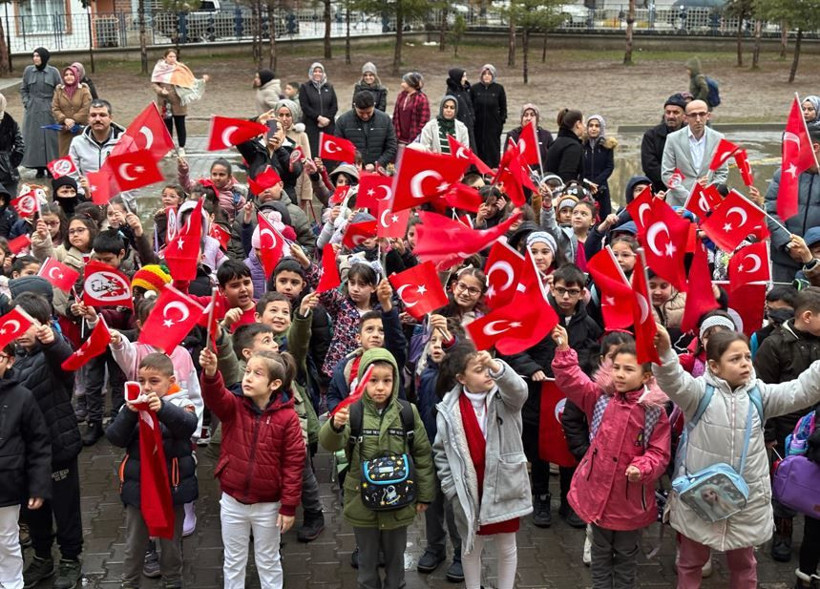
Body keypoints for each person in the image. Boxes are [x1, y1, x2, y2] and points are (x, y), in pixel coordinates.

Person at [653, 326, 820, 589]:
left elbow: (800, 391)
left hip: (746, 499)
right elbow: (672, 379)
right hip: (701, 496)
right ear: (714, 366)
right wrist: (663, 352)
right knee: (690, 561)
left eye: (746, 357)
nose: (744, 364)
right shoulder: (698, 394)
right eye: (735, 359)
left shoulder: (759, 395)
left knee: (744, 564)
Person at [552, 329, 670, 589]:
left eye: (629, 369)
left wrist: (643, 466)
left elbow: (660, 452)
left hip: (630, 502)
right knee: (600, 554)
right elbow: (572, 380)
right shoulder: (600, 397)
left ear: (646, 376)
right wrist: (564, 351)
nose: (620, 374)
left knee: (627, 557)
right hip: (598, 496)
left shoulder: (653, 412)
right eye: (616, 367)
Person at [319, 348, 435, 589]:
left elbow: (422, 454)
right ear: (362, 381)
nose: (380, 387)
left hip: (398, 502)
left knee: (395, 561)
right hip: (361, 501)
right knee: (366, 562)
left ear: (395, 381)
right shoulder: (352, 412)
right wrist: (335, 425)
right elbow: (330, 444)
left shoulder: (407, 412)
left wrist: (424, 494)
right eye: (373, 380)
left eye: (387, 380)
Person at [199, 347, 304, 589]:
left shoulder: (287, 418)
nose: (248, 377)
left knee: (268, 559)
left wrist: (288, 506)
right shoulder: (234, 404)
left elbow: (294, 463)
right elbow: (216, 397)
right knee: (233, 559)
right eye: (247, 371)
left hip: (268, 505)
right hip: (232, 501)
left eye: (257, 373)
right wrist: (212, 373)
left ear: (274, 384)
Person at [433, 343, 531, 589]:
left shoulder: (504, 397)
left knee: (507, 544)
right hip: (468, 488)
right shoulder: (447, 409)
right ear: (461, 378)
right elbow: (440, 451)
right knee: (470, 546)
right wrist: (451, 487)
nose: (487, 374)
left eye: (488, 368)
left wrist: (496, 366)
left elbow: (520, 391)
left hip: (504, 482)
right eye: (479, 370)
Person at [104, 353, 198, 589]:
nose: (146, 387)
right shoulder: (134, 404)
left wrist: (163, 408)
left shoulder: (181, 403)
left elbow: (188, 426)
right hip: (139, 486)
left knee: (170, 542)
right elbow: (115, 438)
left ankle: (172, 580)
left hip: (171, 486)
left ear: (171, 380)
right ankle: (129, 582)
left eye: (154, 381)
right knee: (135, 542)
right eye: (142, 380)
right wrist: (128, 412)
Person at [12, 292, 84, 589]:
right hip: (25, 454)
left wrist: (51, 341)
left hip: (58, 447)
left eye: (27, 324)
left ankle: (70, 559)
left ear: (42, 324)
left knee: (65, 508)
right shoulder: (10, 357)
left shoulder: (54, 353)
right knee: (33, 509)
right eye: (15, 323)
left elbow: (67, 360)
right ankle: (42, 557)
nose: (21, 331)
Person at [754, 287, 820, 563]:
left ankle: (812, 539)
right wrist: (768, 433)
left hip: (817, 428)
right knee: (787, 483)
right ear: (806, 316)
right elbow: (762, 391)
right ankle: (782, 533)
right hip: (786, 429)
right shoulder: (775, 344)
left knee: (814, 482)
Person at [0, 340, 51, 589]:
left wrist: (38, 486)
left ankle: (11, 583)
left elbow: (38, 443)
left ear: (9, 361)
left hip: (6, 483)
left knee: (6, 539)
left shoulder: (22, 396)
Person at [765, 126, 820, 282]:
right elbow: (771, 211)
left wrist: (812, 249)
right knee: (783, 304)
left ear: (815, 147)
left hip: (817, 261)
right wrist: (788, 244)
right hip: (785, 260)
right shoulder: (784, 173)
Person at [660, 99, 729, 207]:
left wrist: (708, 192)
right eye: (693, 115)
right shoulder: (673, 139)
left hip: (708, 202)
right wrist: (689, 197)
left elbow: (722, 173)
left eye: (702, 114)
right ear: (685, 118)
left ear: (708, 116)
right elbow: (667, 174)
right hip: (679, 203)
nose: (698, 119)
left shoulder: (719, 138)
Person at [151, 48, 209, 156]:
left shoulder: (180, 68)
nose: (173, 59)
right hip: (164, 102)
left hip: (179, 101)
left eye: (174, 56)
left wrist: (202, 80)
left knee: (180, 124)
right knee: (167, 126)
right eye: (170, 56)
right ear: (165, 57)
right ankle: (169, 148)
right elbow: (154, 84)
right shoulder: (159, 68)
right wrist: (160, 90)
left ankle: (181, 147)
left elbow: (191, 81)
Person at [21, 47, 61, 177]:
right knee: (34, 138)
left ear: (44, 58)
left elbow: (59, 90)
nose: (35, 59)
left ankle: (51, 166)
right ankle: (38, 167)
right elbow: (24, 89)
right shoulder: (28, 71)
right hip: (32, 109)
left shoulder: (53, 72)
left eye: (38, 56)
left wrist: (55, 105)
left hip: (49, 108)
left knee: (50, 138)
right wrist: (27, 102)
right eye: (34, 56)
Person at [335, 91, 397, 169]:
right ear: (355, 106)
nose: (365, 116)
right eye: (361, 113)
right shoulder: (343, 121)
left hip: (378, 170)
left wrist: (378, 164)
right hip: (352, 169)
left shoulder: (385, 119)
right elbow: (338, 147)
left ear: (374, 105)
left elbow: (392, 146)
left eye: (368, 112)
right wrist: (353, 165)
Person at [641, 94, 688, 194]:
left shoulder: (690, 135)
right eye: (668, 112)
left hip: (686, 187)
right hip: (659, 189)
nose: (671, 116)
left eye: (675, 112)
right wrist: (671, 182)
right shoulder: (651, 135)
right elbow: (650, 166)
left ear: (684, 115)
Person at [470, 64, 507, 168]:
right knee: (478, 149)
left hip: (493, 128)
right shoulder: (474, 89)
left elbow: (503, 108)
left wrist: (500, 122)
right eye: (484, 74)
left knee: (492, 150)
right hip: (478, 127)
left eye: (489, 74)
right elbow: (470, 107)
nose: (487, 76)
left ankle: (492, 172)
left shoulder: (499, 89)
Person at [51, 65, 92, 158]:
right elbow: (55, 108)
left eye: (71, 74)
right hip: (64, 130)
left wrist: (73, 119)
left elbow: (86, 107)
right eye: (66, 75)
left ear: (76, 76)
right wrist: (65, 119)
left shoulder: (84, 90)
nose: (68, 77)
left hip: (80, 129)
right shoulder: (59, 91)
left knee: (81, 155)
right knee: (65, 156)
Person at [299, 62, 338, 156]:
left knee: (327, 152)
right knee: (314, 152)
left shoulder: (329, 87)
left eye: (320, 71)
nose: (317, 73)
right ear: (311, 73)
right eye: (315, 71)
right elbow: (305, 106)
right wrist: (318, 118)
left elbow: (334, 106)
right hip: (311, 125)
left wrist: (327, 118)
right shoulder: (305, 87)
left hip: (328, 126)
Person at [582, 115, 616, 218]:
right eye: (591, 125)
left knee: (603, 217)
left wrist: (596, 182)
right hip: (585, 187)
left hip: (601, 188)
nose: (593, 128)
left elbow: (609, 167)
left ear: (601, 128)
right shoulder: (582, 145)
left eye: (597, 126)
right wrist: (587, 183)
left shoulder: (607, 146)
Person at [505, 103, 554, 172]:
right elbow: (508, 160)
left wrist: (539, 171)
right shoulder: (513, 135)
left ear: (537, 118)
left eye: (532, 115)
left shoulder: (546, 135)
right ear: (521, 118)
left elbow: (552, 160)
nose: (528, 118)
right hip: (520, 174)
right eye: (525, 115)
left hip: (542, 174)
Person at [545, 108, 585, 183]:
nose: (585, 126)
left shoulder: (557, 142)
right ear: (578, 124)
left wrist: (586, 184)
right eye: (583, 123)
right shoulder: (572, 146)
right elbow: (567, 177)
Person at [392, 72, 430, 146]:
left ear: (411, 83)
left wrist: (417, 134)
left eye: (404, 81)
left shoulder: (421, 98)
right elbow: (395, 115)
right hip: (399, 137)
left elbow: (424, 120)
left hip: (413, 138)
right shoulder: (401, 96)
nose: (402, 83)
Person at [0, 93, 25, 198]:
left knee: (10, 202)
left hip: (7, 169)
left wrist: (12, 161)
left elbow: (20, 143)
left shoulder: (10, 122)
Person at [445, 68, 476, 149]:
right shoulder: (451, 93)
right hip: (459, 129)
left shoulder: (465, 90)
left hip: (469, 126)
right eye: (463, 77)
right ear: (457, 78)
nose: (465, 79)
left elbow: (470, 106)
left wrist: (472, 118)